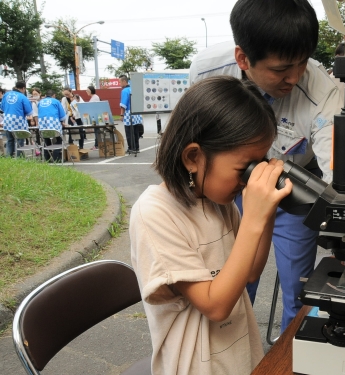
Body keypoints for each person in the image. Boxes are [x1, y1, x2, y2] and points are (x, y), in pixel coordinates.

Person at [189, 0, 341, 332]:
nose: (295, 77)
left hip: (294, 190)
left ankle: (288, 359)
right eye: (281, 68)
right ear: (242, 58)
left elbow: (336, 171)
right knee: (234, 282)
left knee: (300, 293)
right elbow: (194, 145)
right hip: (230, 190)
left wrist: (343, 217)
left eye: (303, 63)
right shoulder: (205, 72)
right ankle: (233, 352)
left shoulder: (324, 92)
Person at [130, 76, 292, 374]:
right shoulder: (154, 212)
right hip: (196, 366)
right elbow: (216, 306)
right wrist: (254, 218)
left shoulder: (217, 201)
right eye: (245, 168)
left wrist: (267, 211)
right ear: (193, 157)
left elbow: (252, 271)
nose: (251, 176)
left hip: (238, 354)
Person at [0, 81, 32, 157]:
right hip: (19, 120)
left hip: (7, 120)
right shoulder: (22, 97)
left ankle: (9, 158)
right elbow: (29, 111)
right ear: (23, 88)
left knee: (9, 140)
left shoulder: (6, 95)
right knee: (19, 140)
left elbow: (2, 107)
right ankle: (19, 158)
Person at [37, 90, 66, 162]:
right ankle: (56, 157)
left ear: (46, 95)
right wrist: (62, 122)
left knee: (46, 140)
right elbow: (62, 116)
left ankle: (47, 158)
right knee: (59, 139)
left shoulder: (40, 102)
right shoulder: (56, 101)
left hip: (42, 124)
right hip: (53, 123)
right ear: (54, 95)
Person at [119, 75, 143, 153]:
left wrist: (122, 115)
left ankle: (131, 147)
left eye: (120, 82)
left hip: (129, 113)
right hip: (137, 113)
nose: (120, 84)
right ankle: (137, 147)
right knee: (136, 131)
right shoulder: (133, 88)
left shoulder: (125, 91)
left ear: (124, 81)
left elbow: (123, 104)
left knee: (129, 131)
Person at [86, 85, 101, 150]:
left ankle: (97, 145)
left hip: (96, 117)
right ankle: (96, 144)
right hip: (95, 117)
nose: (86, 92)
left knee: (97, 131)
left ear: (90, 91)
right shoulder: (94, 97)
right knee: (96, 131)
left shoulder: (95, 97)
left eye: (87, 91)